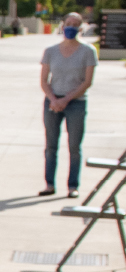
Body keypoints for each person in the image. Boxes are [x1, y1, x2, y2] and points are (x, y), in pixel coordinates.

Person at [40, 11, 96, 197]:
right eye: (68, 23)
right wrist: (54, 99)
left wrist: (66, 99)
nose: (70, 27)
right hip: (52, 102)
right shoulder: (51, 51)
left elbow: (87, 82)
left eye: (75, 24)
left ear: (80, 28)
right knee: (51, 146)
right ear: (62, 25)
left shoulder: (88, 52)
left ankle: (73, 186)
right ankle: (49, 184)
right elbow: (44, 80)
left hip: (76, 103)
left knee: (74, 147)